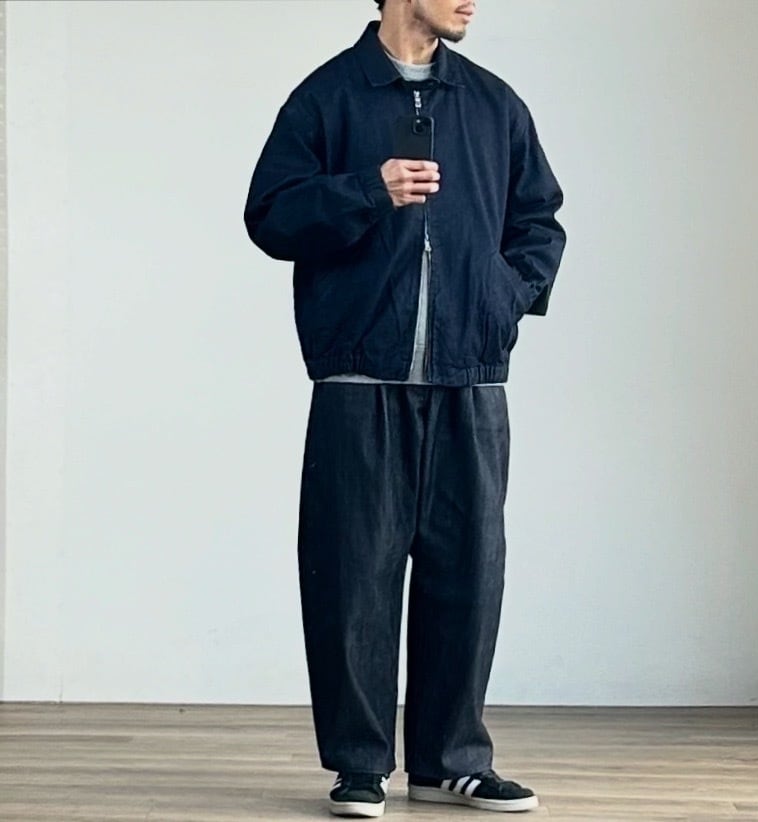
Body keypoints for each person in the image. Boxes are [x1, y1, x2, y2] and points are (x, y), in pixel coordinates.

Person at [244, 0, 566, 816]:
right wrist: (367, 189)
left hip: (470, 379)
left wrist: (502, 299)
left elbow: (538, 219)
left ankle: (449, 759)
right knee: (352, 577)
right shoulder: (328, 97)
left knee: (469, 574)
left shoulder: (493, 104)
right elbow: (271, 217)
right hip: (359, 377)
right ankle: (360, 763)